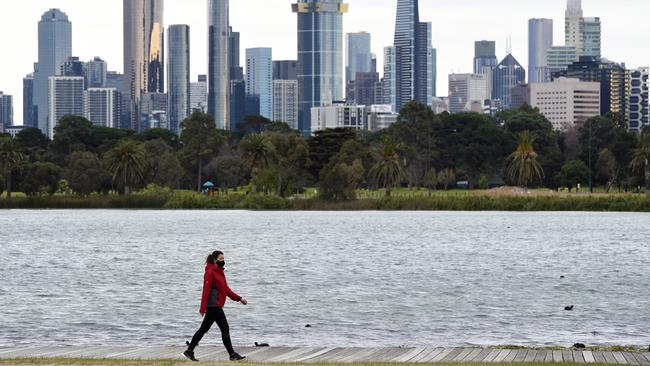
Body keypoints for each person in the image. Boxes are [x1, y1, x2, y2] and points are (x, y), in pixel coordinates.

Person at [184, 251, 248, 362]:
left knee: (203, 329)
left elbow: (226, 290)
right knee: (225, 329)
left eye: (223, 259)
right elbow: (206, 291)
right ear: (214, 260)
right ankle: (232, 354)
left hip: (215, 306)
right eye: (220, 259)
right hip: (214, 306)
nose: (223, 261)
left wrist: (239, 298)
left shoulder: (220, 272)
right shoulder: (210, 272)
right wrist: (202, 308)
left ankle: (189, 351)